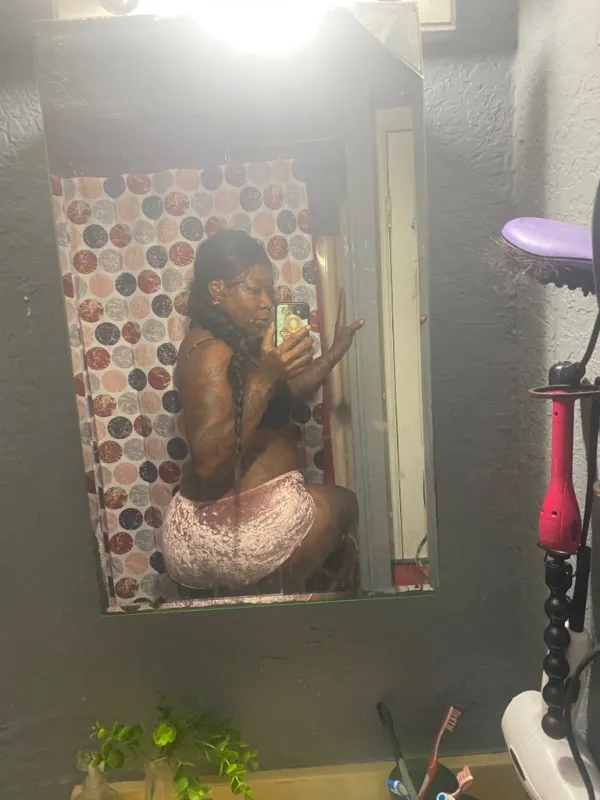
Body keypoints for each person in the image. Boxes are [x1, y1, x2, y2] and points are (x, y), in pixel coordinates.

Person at [162, 229, 364, 595]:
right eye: (255, 290)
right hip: (230, 534)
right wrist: (266, 377)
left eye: (269, 291)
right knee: (345, 505)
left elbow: (278, 399)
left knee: (341, 513)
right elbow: (209, 463)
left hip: (240, 524)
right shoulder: (210, 351)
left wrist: (335, 352)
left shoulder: (232, 345)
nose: (267, 303)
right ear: (217, 289)